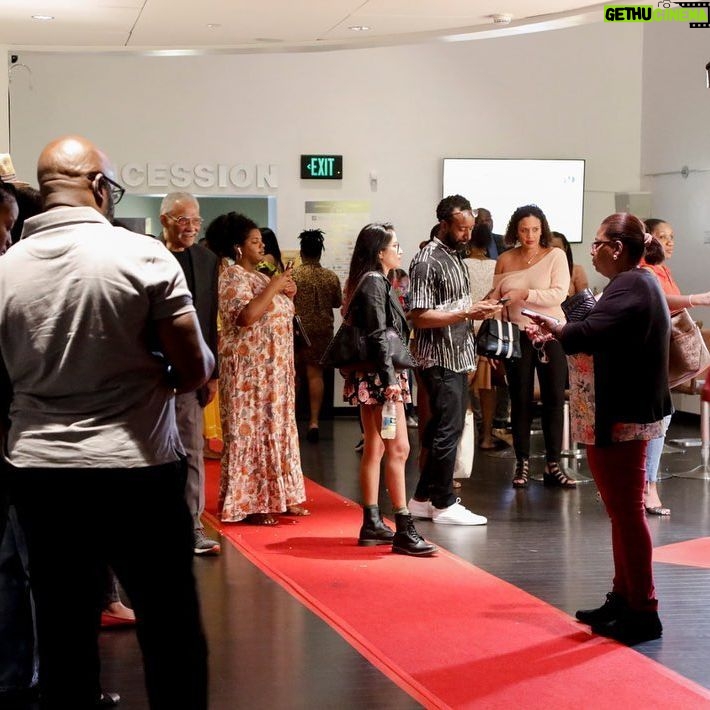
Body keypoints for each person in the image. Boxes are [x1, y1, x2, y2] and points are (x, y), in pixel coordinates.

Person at [0, 136, 212, 708]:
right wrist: (158, 375)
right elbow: (194, 368)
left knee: (63, 632)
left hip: (41, 473)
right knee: (170, 629)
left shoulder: (5, 269)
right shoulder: (143, 256)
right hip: (137, 467)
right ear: (99, 186)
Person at [526, 213, 671, 643]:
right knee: (622, 513)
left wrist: (557, 328)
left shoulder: (632, 284)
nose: (591, 252)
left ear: (617, 248)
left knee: (627, 514)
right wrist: (560, 331)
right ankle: (624, 598)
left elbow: (589, 332)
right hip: (620, 410)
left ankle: (643, 609)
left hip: (623, 412)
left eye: (597, 243)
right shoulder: (633, 283)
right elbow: (597, 333)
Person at [204, 212, 309, 525]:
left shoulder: (262, 277)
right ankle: (252, 502)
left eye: (261, 240)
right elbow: (246, 317)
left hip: (275, 371)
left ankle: (282, 495)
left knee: (278, 430)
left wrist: (287, 292)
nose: (262, 245)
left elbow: (277, 312)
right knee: (253, 434)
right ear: (238, 247)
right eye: (254, 241)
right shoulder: (231, 277)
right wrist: (275, 286)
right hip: (249, 375)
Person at [341, 223, 436, 555]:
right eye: (395, 246)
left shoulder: (367, 280)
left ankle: (372, 521)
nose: (400, 251)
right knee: (398, 449)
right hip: (383, 378)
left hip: (374, 377)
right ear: (380, 252)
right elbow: (379, 335)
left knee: (376, 447)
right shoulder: (375, 282)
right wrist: (391, 382)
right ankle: (403, 528)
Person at [407, 195, 499, 525]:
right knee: (448, 429)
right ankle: (443, 503)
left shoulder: (454, 256)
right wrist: (467, 313)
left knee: (444, 429)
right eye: (462, 229)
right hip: (439, 358)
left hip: (457, 355)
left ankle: (422, 499)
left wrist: (477, 311)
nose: (467, 235)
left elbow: (455, 308)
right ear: (444, 224)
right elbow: (419, 316)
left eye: (470, 229)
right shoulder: (427, 260)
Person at [490, 204, 574, 489]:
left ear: (542, 230)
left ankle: (553, 464)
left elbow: (558, 294)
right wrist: (495, 339)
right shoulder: (505, 259)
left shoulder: (555, 256)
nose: (529, 235)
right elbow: (498, 301)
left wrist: (526, 293)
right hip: (516, 334)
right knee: (520, 398)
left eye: (535, 229)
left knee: (553, 398)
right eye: (524, 230)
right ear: (515, 231)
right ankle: (522, 462)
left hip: (551, 332)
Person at [159, 192, 221, 555]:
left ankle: (192, 525)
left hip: (193, 370)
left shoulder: (207, 259)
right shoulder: (148, 254)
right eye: (184, 220)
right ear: (165, 220)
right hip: (149, 369)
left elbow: (209, 319)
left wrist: (213, 374)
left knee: (192, 449)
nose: (192, 228)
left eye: (196, 221)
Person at [640, 218, 710, 516]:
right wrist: (695, 300)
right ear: (648, 239)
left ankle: (646, 484)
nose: (669, 242)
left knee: (659, 420)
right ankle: (647, 485)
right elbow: (663, 302)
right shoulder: (643, 270)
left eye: (672, 236)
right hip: (648, 355)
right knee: (655, 421)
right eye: (662, 236)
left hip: (662, 353)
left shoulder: (663, 270)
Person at [292, 228, 343, 443]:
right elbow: (337, 302)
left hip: (296, 330)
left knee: (293, 376)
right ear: (320, 252)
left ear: (302, 252)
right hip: (322, 331)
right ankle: (314, 422)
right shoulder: (330, 276)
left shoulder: (293, 275)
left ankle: (291, 421)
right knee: (316, 375)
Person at [463, 221, 499, 450]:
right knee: (487, 387)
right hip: (489, 330)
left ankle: (466, 436)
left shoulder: (461, 265)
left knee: (463, 385)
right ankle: (486, 436)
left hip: (464, 327)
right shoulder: (497, 266)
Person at [550, 231, 589, 296]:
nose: (553, 252)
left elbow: (584, 299)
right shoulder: (539, 270)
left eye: (557, 248)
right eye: (548, 248)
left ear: (565, 248)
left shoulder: (576, 270)